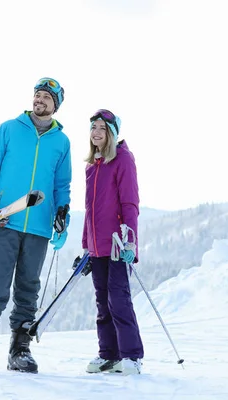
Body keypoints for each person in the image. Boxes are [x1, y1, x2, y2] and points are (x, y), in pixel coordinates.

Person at [0, 77, 72, 374]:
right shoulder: (9, 129)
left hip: (39, 226)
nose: (39, 100)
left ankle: (19, 350)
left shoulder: (62, 142)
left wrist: (63, 216)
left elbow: (62, 185)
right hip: (5, 220)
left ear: (55, 106)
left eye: (46, 97)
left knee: (28, 289)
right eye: (37, 95)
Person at [81, 109, 144, 375]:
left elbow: (130, 202)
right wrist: (86, 246)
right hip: (97, 246)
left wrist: (130, 242)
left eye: (102, 128)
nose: (96, 132)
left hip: (118, 244)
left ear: (112, 133)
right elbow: (89, 210)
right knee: (102, 301)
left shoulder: (123, 159)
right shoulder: (91, 166)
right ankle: (109, 354)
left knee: (119, 299)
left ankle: (131, 355)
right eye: (93, 127)